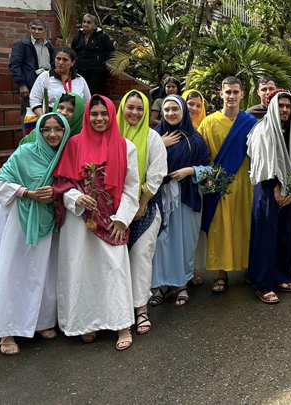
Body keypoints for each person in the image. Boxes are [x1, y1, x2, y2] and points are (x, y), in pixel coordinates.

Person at [0, 112, 71, 355]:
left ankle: (40, 323)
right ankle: (5, 332)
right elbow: (0, 182)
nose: (52, 134)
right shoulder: (25, 153)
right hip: (21, 219)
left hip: (48, 221)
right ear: (38, 130)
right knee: (13, 272)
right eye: (46, 129)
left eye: (58, 129)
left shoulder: (65, 155)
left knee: (42, 272)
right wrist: (29, 193)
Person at [52, 95, 139, 350]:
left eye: (104, 114)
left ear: (112, 115)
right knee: (80, 269)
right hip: (78, 223)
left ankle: (122, 324)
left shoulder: (125, 147)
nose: (99, 118)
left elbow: (131, 188)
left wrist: (122, 219)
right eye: (94, 114)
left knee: (114, 269)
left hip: (111, 220)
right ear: (87, 116)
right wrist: (76, 198)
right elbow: (61, 183)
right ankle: (85, 323)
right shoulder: (73, 145)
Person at [197, 77, 258, 293]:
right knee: (220, 227)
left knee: (245, 225)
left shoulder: (251, 122)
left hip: (245, 183)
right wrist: (206, 178)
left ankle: (250, 269)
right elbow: (201, 155)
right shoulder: (209, 122)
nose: (231, 96)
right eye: (228, 92)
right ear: (221, 94)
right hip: (219, 183)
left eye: (235, 92)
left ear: (242, 94)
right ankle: (221, 274)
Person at [150, 95, 211, 306]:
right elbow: (140, 161)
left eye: (175, 109)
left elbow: (209, 168)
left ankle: (182, 284)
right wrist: (159, 143)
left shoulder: (196, 139)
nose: (170, 113)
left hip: (187, 198)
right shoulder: (153, 137)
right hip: (160, 198)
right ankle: (162, 284)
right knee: (161, 242)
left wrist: (190, 170)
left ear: (183, 111)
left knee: (184, 241)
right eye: (166, 110)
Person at [116, 90, 167, 334]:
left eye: (139, 109)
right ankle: (117, 311)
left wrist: (142, 204)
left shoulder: (152, 137)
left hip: (143, 209)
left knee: (140, 259)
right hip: (114, 212)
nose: (134, 113)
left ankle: (141, 310)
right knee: (115, 262)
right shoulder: (111, 136)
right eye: (130, 107)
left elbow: (157, 173)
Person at [247, 89, 291, 304]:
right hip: (269, 189)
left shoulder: (290, 131)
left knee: (284, 234)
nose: (285, 110)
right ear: (271, 108)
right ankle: (262, 284)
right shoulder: (263, 129)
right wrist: (277, 189)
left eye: (288, 106)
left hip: (287, 190)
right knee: (265, 237)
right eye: (281, 106)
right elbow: (262, 163)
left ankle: (280, 278)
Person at [9, 18, 55, 128]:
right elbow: (14, 65)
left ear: (45, 31)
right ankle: (28, 142)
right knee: (28, 116)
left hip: (46, 86)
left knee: (46, 117)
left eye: (40, 29)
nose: (36, 31)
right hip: (28, 86)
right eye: (33, 28)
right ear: (29, 29)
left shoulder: (49, 47)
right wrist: (21, 85)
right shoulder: (21, 44)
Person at [29, 47, 91, 117]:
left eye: (65, 60)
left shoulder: (80, 80)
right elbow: (34, 100)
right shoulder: (45, 77)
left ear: (72, 63)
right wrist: (44, 118)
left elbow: (87, 102)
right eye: (58, 59)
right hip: (52, 119)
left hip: (75, 120)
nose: (60, 62)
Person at [70, 14, 115, 95]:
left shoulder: (102, 37)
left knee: (93, 94)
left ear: (94, 26)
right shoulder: (78, 37)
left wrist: (106, 65)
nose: (85, 24)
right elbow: (73, 52)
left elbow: (111, 52)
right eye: (84, 22)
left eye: (88, 22)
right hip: (80, 70)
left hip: (97, 72)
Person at [20, 92, 85, 145]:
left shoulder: (83, 138)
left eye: (71, 110)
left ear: (79, 114)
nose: (64, 113)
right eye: (61, 108)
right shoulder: (38, 133)